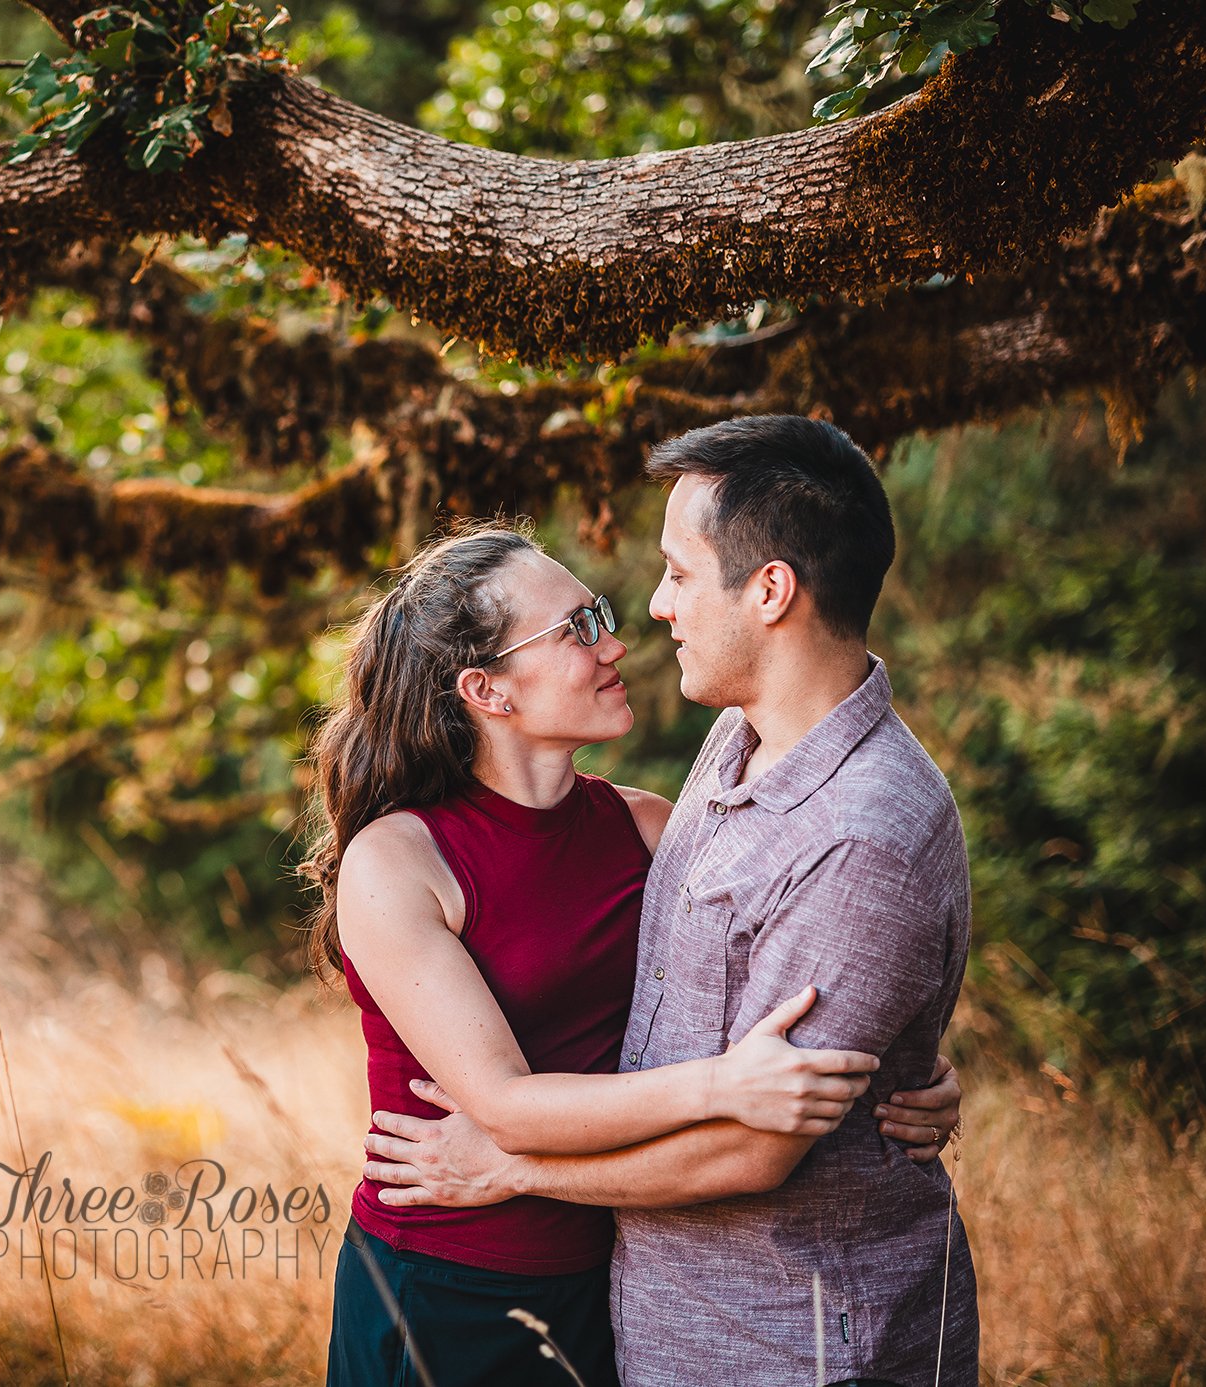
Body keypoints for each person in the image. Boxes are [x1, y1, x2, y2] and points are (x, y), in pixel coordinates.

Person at [363, 417, 980, 1386]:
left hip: (786, 1342)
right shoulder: (730, 746)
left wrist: (511, 1167)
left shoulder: (832, 828)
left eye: (677, 575)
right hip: (530, 1300)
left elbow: (759, 1134)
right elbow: (536, 1071)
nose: (647, 614)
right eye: (579, 626)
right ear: (484, 690)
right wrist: (865, 1062)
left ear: (769, 590)